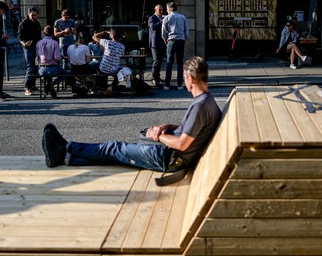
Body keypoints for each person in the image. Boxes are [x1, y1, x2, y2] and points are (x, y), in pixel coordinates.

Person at [41, 56, 222, 182]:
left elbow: (183, 144)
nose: (184, 83)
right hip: (171, 154)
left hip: (168, 158)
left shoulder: (199, 106)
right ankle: (65, 156)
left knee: (113, 147)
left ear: (190, 78)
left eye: (184, 78)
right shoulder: (208, 101)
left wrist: (156, 136)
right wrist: (166, 126)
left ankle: (67, 147)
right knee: (117, 155)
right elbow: (191, 129)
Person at [161, 2, 189, 90]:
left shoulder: (167, 17)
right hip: (181, 40)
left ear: (169, 8)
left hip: (171, 40)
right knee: (180, 62)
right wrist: (184, 39)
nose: (166, 10)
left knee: (169, 62)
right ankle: (180, 84)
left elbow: (163, 31)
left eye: (167, 8)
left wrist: (165, 40)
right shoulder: (183, 17)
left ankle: (167, 85)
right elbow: (186, 30)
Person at [18, 6, 42, 96]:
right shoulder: (23, 23)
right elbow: (20, 36)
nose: (34, 17)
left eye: (35, 15)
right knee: (30, 67)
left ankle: (33, 85)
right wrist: (24, 43)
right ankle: (27, 87)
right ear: (28, 14)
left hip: (36, 47)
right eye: (32, 15)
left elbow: (39, 37)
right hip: (28, 48)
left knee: (35, 67)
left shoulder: (37, 23)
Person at [36, 25, 64, 99]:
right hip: (53, 68)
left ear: (43, 33)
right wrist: (61, 57)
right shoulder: (54, 43)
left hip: (42, 68)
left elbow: (38, 57)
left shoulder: (38, 43)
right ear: (52, 33)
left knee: (47, 76)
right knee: (64, 73)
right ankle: (51, 85)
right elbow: (57, 57)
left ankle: (49, 88)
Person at [148, 4, 166, 88]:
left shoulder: (162, 18)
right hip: (155, 43)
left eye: (162, 10)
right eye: (160, 10)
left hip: (162, 42)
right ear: (155, 10)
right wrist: (161, 21)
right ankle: (153, 77)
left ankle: (157, 77)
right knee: (156, 61)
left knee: (160, 61)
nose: (161, 11)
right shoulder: (152, 18)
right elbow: (152, 27)